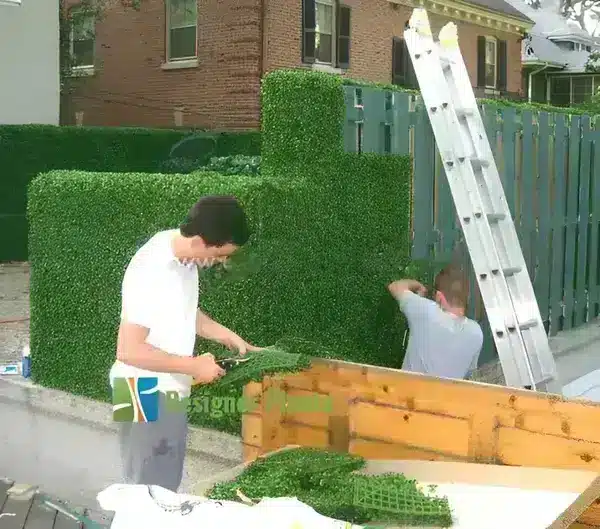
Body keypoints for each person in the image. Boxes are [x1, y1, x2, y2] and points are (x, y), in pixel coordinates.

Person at [110, 194, 263, 492]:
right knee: (148, 493)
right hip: (141, 388)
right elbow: (129, 350)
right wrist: (193, 366)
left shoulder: (180, 255)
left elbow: (181, 308)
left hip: (165, 387)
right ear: (202, 241)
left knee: (163, 485)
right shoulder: (151, 269)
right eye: (220, 255)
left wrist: (227, 335)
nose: (219, 263)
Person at [387, 264, 483, 380]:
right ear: (466, 299)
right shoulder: (476, 333)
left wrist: (419, 287)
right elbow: (469, 373)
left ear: (439, 297)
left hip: (404, 395)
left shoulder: (427, 311)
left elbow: (395, 287)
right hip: (442, 398)